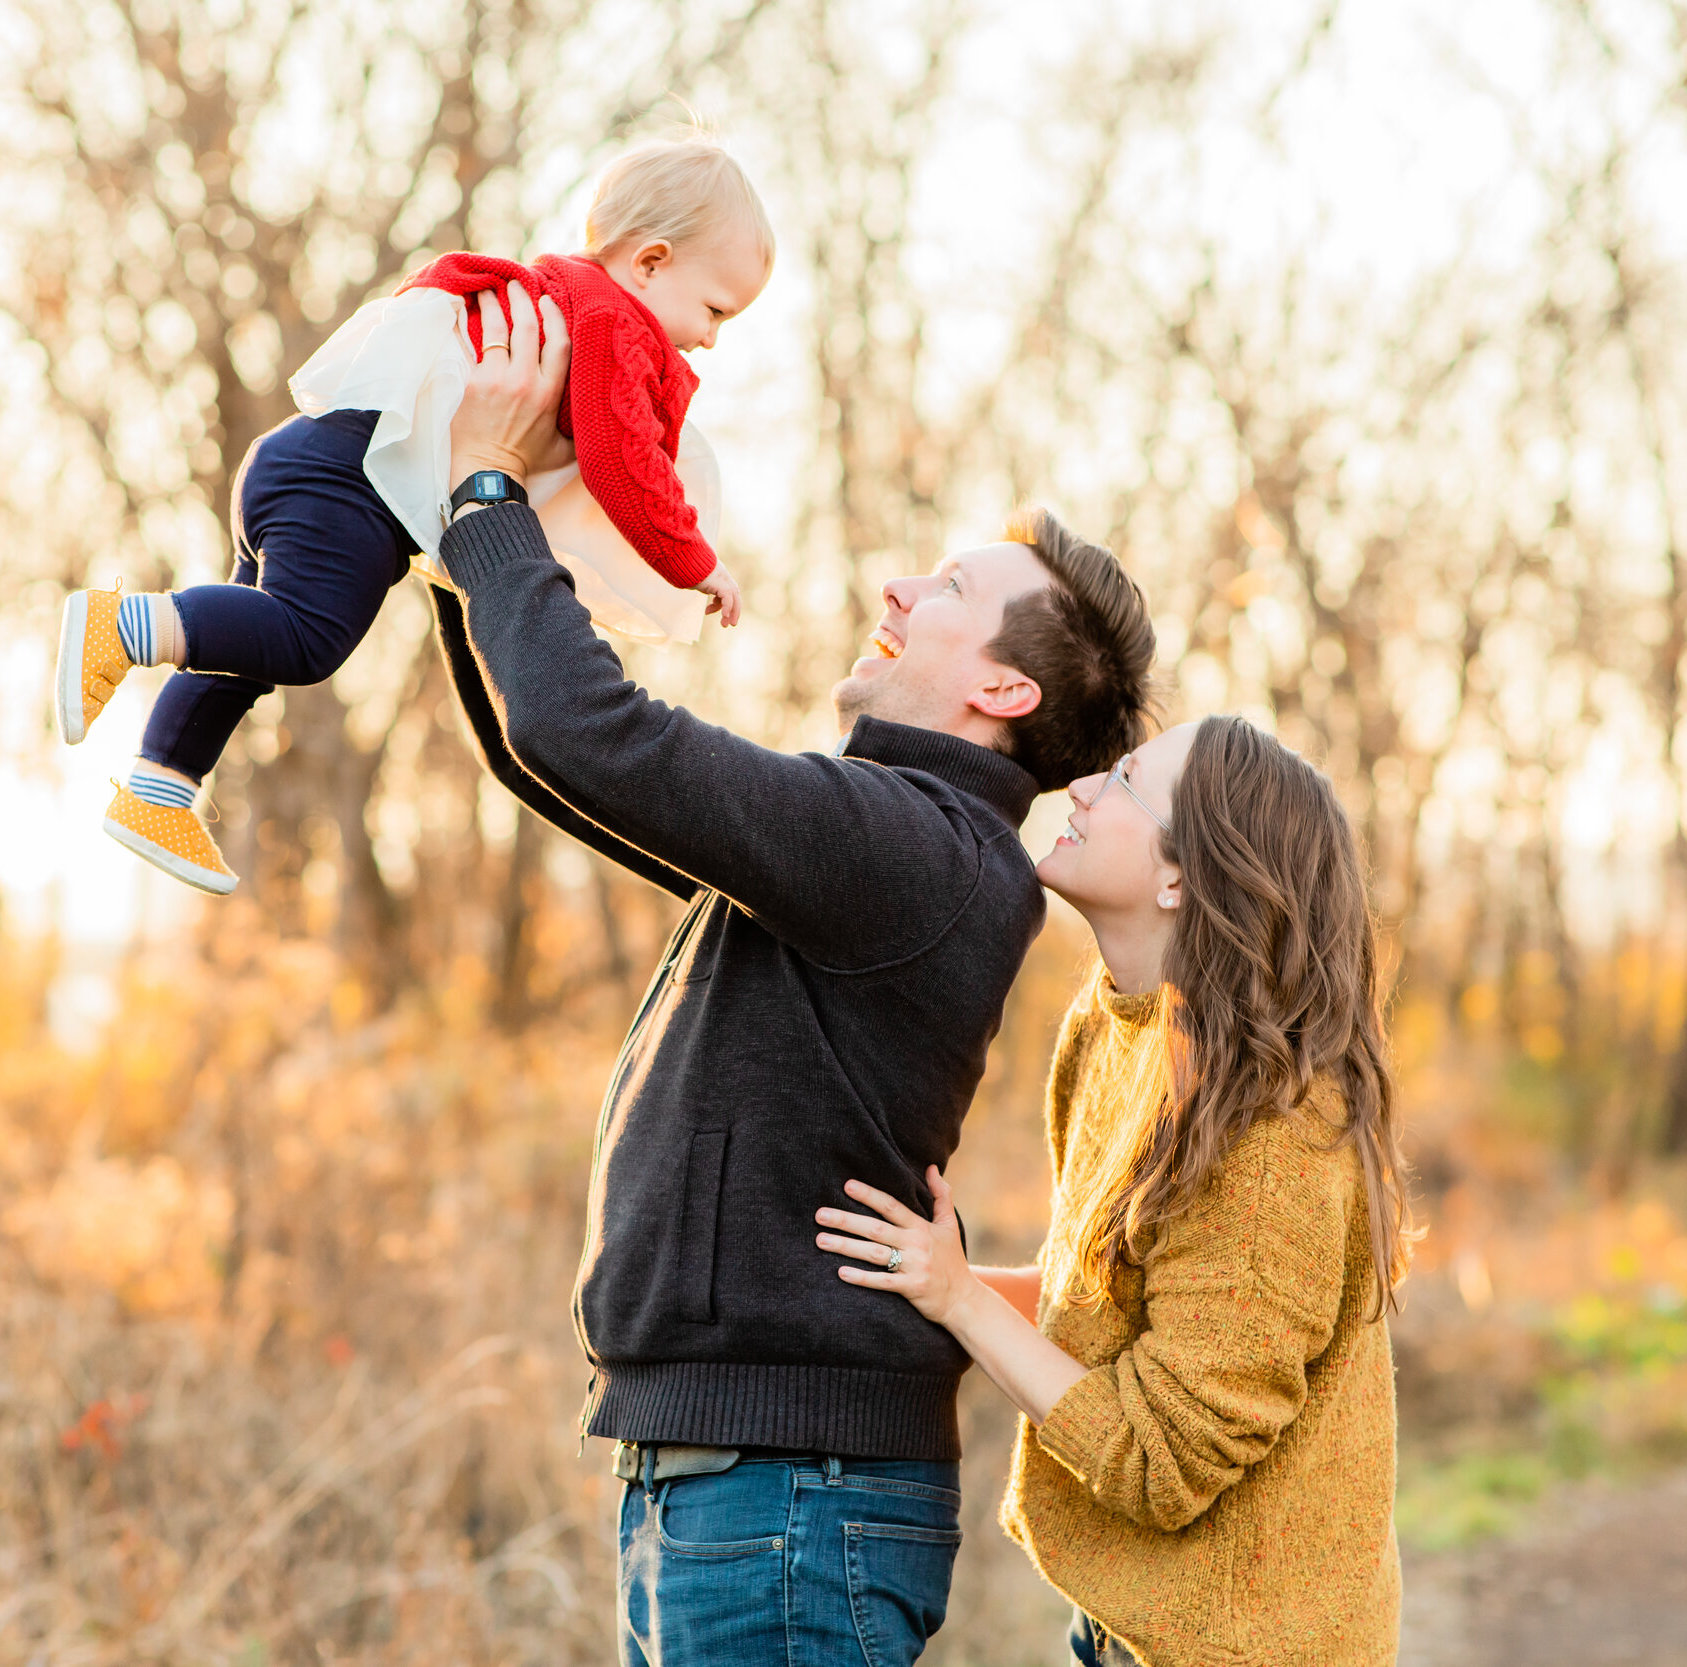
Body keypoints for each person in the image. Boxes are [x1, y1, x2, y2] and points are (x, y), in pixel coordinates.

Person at [429, 284, 1159, 1666]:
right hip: (740, 1481)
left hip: (787, 1495)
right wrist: (457, 550)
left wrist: (487, 500)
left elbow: (592, 732)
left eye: (945, 591)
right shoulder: (877, 839)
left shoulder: (910, 848)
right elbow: (557, 757)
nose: (897, 588)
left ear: (1004, 691)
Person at [814, 715, 1414, 1667]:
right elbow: (1102, 1312)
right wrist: (932, 1279)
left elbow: (1159, 1458)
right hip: (1128, 1630)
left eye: (1125, 781)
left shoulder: (1276, 1135)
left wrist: (961, 1297)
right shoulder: (1113, 1027)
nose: (1082, 789)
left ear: (1183, 875)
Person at [50, 137, 770, 895]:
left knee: (248, 646)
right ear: (650, 263)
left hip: (304, 458)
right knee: (305, 639)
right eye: (715, 310)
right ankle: (123, 626)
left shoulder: (554, 295)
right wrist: (695, 560)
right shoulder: (610, 324)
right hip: (349, 485)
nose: (711, 339)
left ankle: (159, 789)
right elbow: (622, 458)